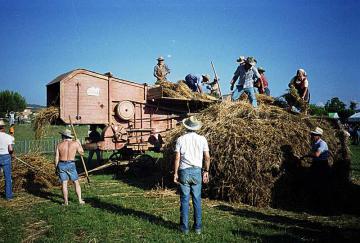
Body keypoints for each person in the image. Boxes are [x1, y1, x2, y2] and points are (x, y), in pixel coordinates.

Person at [173, 116, 211, 234]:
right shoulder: (202, 139)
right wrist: (206, 171)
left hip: (184, 171)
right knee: (197, 200)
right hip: (196, 171)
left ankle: (184, 229)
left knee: (184, 200)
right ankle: (198, 228)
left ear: (186, 126)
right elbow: (207, 157)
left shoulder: (180, 139)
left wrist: (175, 173)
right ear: (196, 128)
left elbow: (177, 157)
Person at [55, 129, 85, 205]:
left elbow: (56, 158)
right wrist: (79, 143)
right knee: (76, 182)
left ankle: (66, 202)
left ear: (63, 136)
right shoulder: (75, 143)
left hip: (61, 164)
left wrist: (56, 167)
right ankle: (80, 200)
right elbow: (82, 153)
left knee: (64, 183)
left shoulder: (59, 145)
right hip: (71, 164)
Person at [0, 120, 15, 200]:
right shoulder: (8, 136)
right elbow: (10, 149)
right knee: (7, 177)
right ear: (3, 127)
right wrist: (12, 154)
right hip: (6, 156)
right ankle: (8, 196)